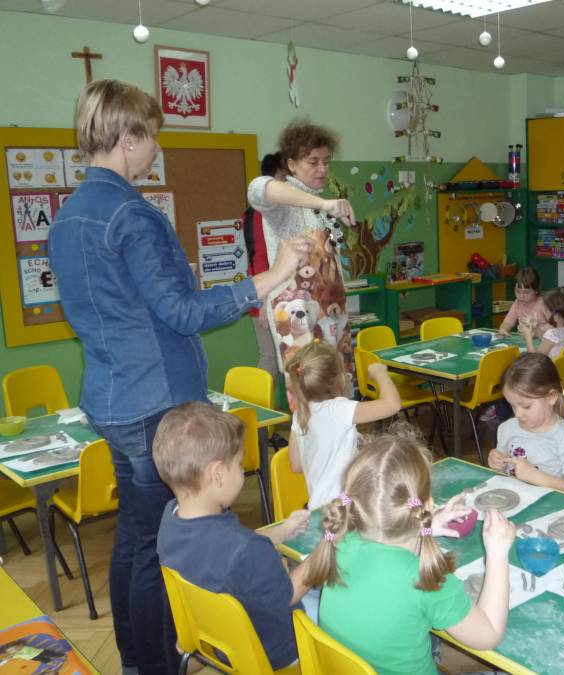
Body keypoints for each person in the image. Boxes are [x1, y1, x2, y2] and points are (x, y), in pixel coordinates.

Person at [48, 79, 309, 675]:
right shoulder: (132, 215)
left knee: (136, 541)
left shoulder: (68, 217)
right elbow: (185, 312)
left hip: (112, 399)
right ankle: (156, 665)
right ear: (128, 137)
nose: (157, 149)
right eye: (153, 136)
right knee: (155, 550)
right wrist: (273, 275)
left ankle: (137, 660)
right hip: (154, 403)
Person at [303, 428, 516, 675]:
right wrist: (497, 553)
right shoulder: (427, 580)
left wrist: (425, 527)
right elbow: (488, 635)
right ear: (427, 505)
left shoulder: (339, 542)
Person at [154, 403, 312, 670]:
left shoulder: (171, 518)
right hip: (277, 654)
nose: (241, 472)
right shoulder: (244, 549)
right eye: (238, 464)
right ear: (217, 474)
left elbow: (231, 549)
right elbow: (289, 594)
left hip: (220, 641)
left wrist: (284, 530)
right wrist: (327, 546)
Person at [247, 120, 357, 371]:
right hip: (297, 315)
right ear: (292, 165)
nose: (322, 169)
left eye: (326, 161)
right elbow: (257, 189)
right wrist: (324, 204)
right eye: (313, 162)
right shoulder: (285, 205)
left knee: (337, 382)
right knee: (308, 386)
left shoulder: (319, 206)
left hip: (331, 312)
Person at [284, 340, 402, 510]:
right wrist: (380, 373)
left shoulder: (300, 413)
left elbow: (296, 465)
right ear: (339, 378)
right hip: (345, 507)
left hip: (318, 508)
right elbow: (392, 404)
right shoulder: (338, 410)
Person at [487, 353, 564, 495]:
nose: (518, 414)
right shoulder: (508, 428)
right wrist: (496, 462)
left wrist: (535, 476)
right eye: (512, 405)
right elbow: (502, 469)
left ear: (551, 397)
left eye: (526, 406)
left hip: (548, 505)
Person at [244, 152, 285, 381]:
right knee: (270, 362)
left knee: (286, 363)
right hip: (265, 298)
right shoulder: (259, 214)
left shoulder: (279, 211)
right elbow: (259, 257)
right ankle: (255, 403)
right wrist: (265, 301)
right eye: (285, 177)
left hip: (281, 298)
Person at [522, 287, 564, 359]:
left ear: (556, 316)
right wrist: (536, 328)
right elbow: (550, 341)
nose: (544, 313)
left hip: (548, 366)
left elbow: (535, 359)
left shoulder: (552, 334)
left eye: (546, 310)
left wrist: (528, 338)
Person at [497, 267, 551, 336]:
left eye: (526, 292)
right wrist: (503, 329)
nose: (521, 296)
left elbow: (556, 327)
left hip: (543, 339)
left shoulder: (544, 304)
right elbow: (508, 322)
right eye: (518, 292)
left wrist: (537, 331)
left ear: (536, 290)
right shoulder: (517, 303)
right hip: (524, 339)